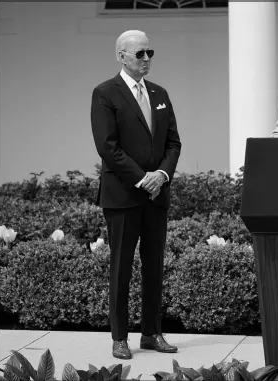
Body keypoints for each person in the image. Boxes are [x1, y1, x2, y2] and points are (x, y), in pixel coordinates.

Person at [90, 30, 182, 360]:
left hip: (156, 194)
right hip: (124, 194)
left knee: (154, 266)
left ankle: (151, 334)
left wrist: (162, 175)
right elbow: (107, 147)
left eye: (149, 53)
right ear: (122, 56)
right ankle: (119, 338)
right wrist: (143, 179)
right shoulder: (105, 93)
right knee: (122, 267)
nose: (146, 59)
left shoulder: (159, 93)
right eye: (139, 53)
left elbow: (174, 142)